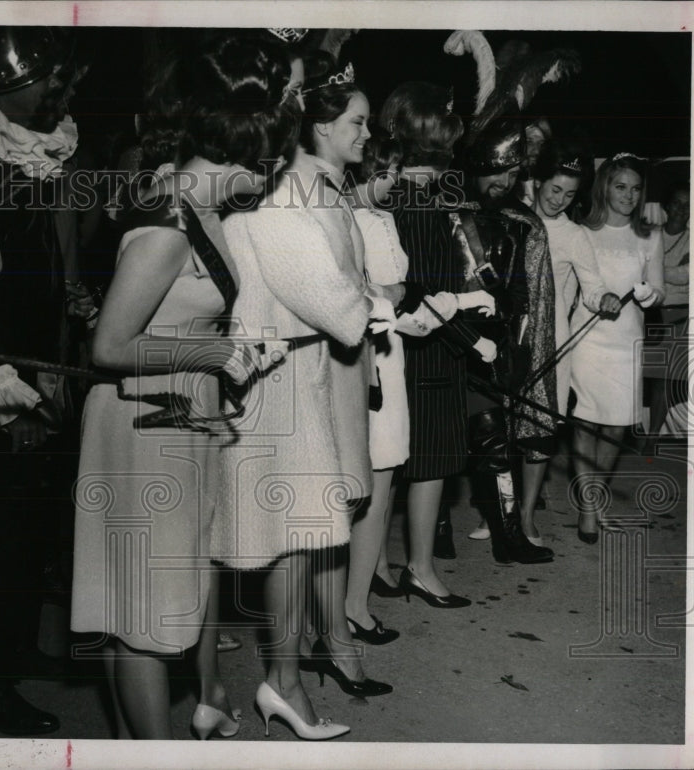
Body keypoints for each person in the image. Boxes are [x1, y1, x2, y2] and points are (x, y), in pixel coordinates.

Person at [69, 36, 300, 740]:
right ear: (246, 153)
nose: (267, 179)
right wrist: (218, 349)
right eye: (266, 164)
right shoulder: (170, 225)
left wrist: (223, 356)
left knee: (149, 606)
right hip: (140, 425)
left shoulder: (196, 208)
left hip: (173, 416)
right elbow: (108, 345)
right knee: (146, 617)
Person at [214, 55, 396, 740]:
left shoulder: (316, 187)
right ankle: (259, 683)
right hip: (275, 382)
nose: (367, 132)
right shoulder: (287, 193)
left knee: (293, 540)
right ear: (316, 124)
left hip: (300, 371)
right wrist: (374, 311)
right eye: (357, 120)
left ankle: (279, 679)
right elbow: (329, 296)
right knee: (265, 539)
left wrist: (371, 306)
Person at [0, 25, 88, 737]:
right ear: (5, 86)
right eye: (44, 78)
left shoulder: (35, 152)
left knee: (29, 521)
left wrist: (70, 302)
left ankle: (14, 651)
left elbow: (41, 254)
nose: (56, 90)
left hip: (40, 356)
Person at [347, 136, 496, 626]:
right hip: (373, 357)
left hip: (396, 352)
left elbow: (411, 291)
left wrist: (453, 308)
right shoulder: (352, 217)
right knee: (374, 476)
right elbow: (375, 297)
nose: (396, 182)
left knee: (386, 469)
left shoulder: (389, 215)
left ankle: (363, 594)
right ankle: (353, 605)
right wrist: (460, 325)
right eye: (389, 172)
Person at [375, 81, 483, 607]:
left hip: (410, 346)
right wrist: (470, 339)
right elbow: (420, 288)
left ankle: (377, 566)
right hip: (429, 349)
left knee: (391, 463)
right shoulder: (418, 202)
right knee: (432, 461)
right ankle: (420, 568)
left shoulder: (397, 193)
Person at [454, 117, 557, 566]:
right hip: (439, 342)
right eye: (498, 171)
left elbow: (527, 294)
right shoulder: (445, 210)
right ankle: (436, 534)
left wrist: (514, 345)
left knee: (495, 445)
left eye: (514, 174)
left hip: (490, 351)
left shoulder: (522, 222)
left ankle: (508, 536)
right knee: (429, 452)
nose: (505, 182)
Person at [519, 141, 622, 544]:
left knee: (539, 430)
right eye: (554, 189)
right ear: (539, 181)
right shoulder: (514, 218)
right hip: (507, 340)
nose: (559, 200)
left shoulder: (575, 235)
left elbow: (592, 287)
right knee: (498, 429)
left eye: (569, 194)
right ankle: (500, 508)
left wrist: (605, 299)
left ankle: (526, 516)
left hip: (553, 343)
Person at [571, 153, 665, 542]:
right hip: (589, 341)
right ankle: (589, 509)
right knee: (584, 422)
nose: (628, 195)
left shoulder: (649, 235)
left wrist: (648, 295)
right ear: (605, 187)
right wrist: (601, 297)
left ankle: (594, 495)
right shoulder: (584, 232)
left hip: (628, 342)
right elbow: (587, 287)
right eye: (620, 186)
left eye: (635, 188)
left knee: (616, 425)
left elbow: (658, 291)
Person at [645, 181, 690, 447]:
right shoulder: (652, 235)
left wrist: (656, 267)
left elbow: (688, 277)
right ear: (666, 207)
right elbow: (640, 270)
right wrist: (674, 270)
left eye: (687, 205)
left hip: (678, 316)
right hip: (650, 312)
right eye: (677, 203)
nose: (681, 210)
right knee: (650, 379)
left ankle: (650, 440)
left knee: (664, 380)